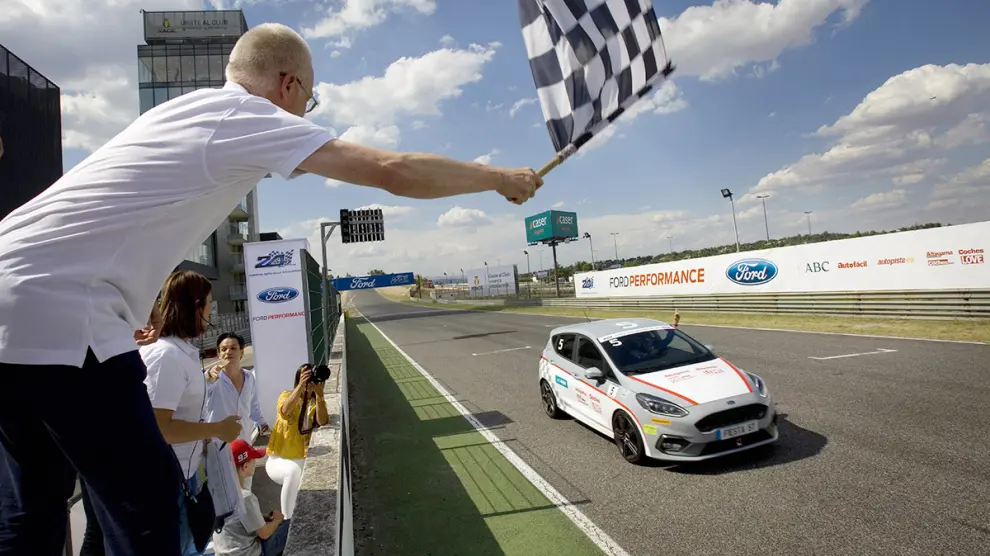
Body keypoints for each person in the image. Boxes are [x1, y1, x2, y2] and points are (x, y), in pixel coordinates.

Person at [0, 21, 540, 555]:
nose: (304, 113)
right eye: (309, 98)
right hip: (66, 310)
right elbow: (391, 170)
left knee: (32, 506)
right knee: (147, 506)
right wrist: (499, 178)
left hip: (14, 294)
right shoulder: (246, 115)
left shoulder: (185, 111)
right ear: (288, 84)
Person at [140, 270, 242, 555]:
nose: (210, 312)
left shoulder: (180, 352)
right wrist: (216, 429)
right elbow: (160, 428)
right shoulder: (166, 356)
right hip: (167, 484)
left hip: (184, 476)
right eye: (209, 304)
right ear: (196, 306)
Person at [205, 332, 269, 490]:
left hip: (244, 443)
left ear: (241, 352)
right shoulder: (212, 379)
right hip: (218, 446)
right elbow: (202, 389)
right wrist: (209, 376)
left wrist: (263, 424)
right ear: (219, 353)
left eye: (233, 348)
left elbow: (253, 406)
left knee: (245, 487)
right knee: (223, 491)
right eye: (224, 349)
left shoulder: (249, 378)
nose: (228, 352)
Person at [264, 364, 329, 521]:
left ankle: (302, 515)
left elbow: (323, 421)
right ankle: (287, 520)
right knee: (293, 472)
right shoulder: (286, 395)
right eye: (306, 378)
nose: (309, 383)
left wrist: (319, 395)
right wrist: (300, 387)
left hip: (300, 457)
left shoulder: (314, 403)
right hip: (279, 459)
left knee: (308, 475)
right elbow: (285, 411)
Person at [212, 439, 289, 556]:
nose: (255, 462)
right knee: (290, 526)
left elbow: (235, 521)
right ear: (245, 466)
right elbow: (264, 534)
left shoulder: (218, 493)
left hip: (223, 552)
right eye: (253, 459)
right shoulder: (245, 497)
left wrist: (261, 517)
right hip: (247, 553)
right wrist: (277, 520)